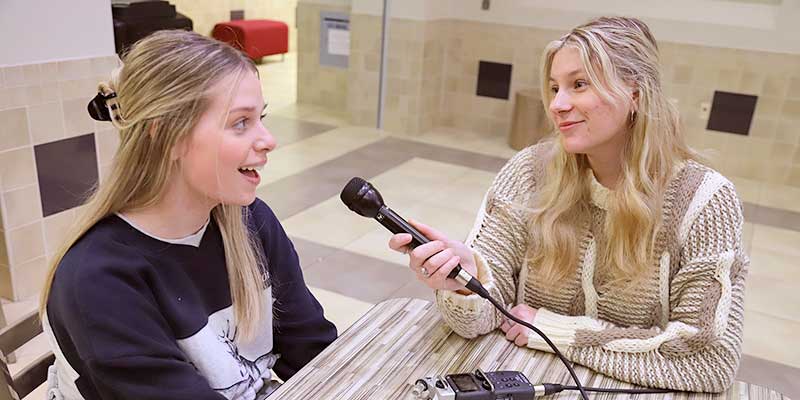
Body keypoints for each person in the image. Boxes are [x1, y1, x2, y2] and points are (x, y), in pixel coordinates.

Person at [389, 16, 747, 393]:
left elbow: (708, 361)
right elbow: (483, 317)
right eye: (555, 88)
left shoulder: (705, 201)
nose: (558, 104)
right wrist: (464, 280)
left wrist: (557, 331)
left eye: (579, 85)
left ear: (635, 94)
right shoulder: (528, 172)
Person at [40, 30, 337, 400]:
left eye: (260, 118)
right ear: (168, 136)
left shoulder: (250, 222)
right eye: (240, 123)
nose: (269, 140)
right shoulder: (98, 280)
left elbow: (317, 354)